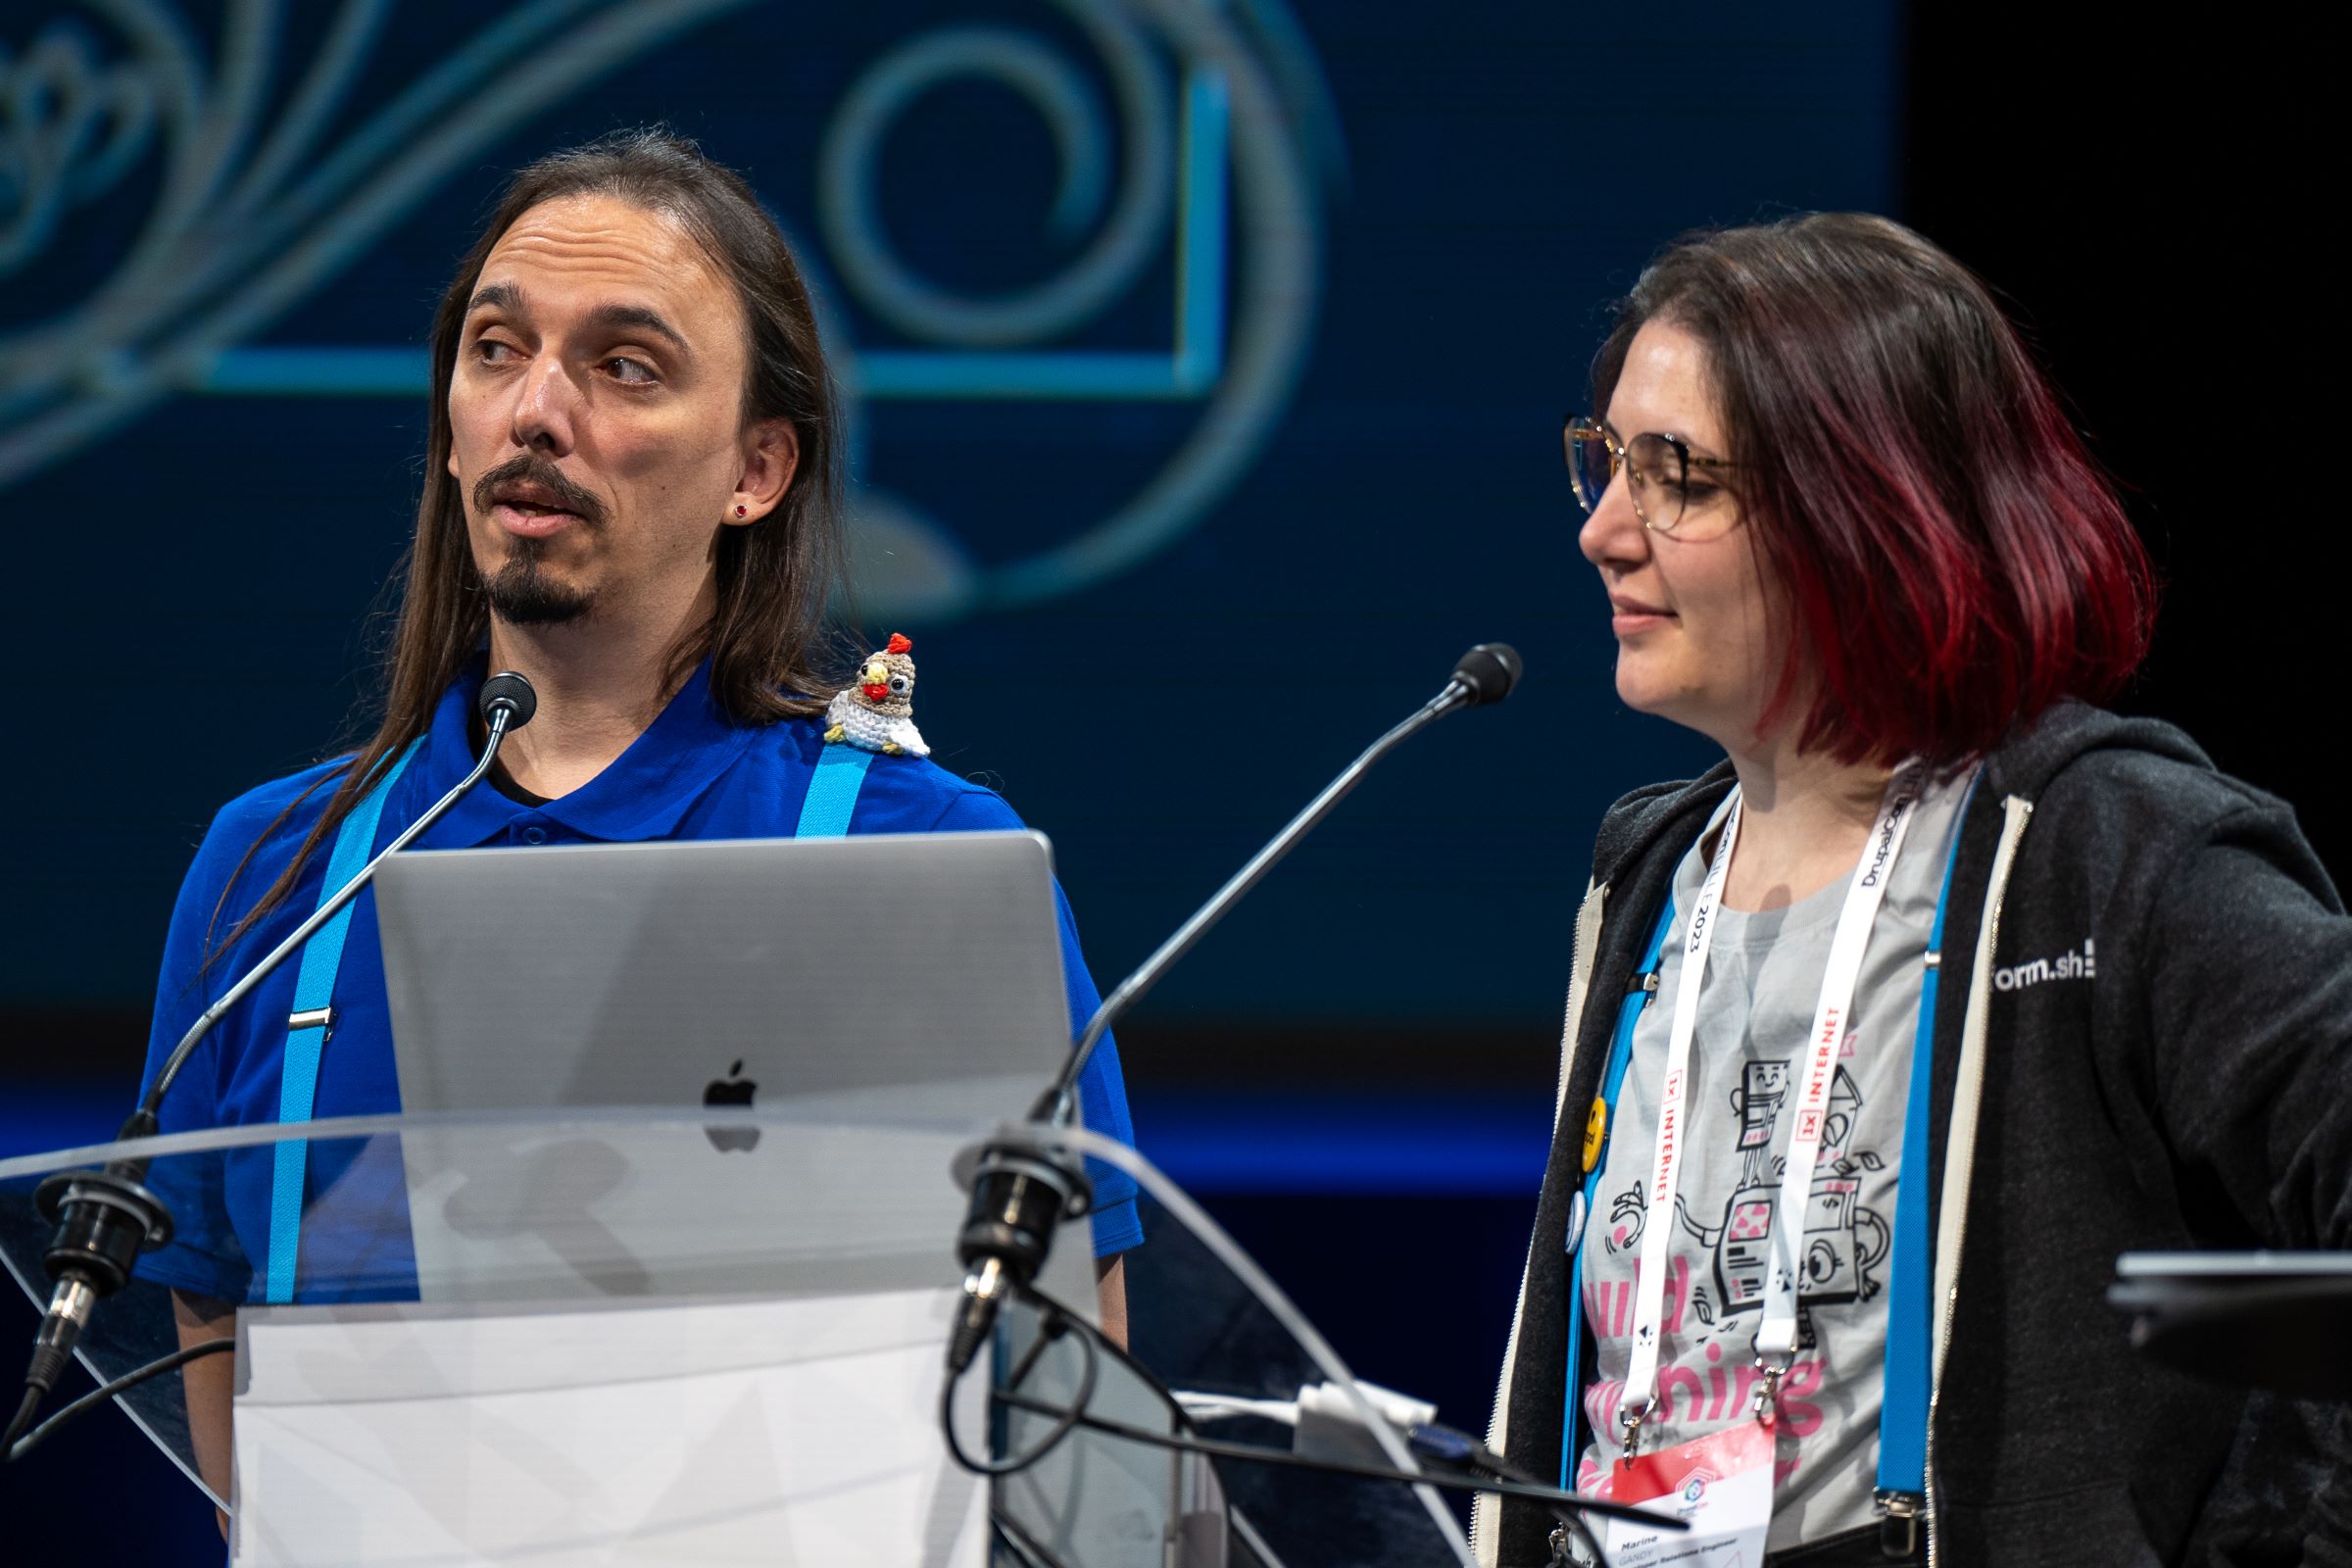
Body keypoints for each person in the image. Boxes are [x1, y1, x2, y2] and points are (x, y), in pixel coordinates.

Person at [131, 128, 1143, 1514]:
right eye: (496, 351)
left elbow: (1073, 1442)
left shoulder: (931, 860)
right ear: (447, 423)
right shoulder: (271, 879)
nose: (536, 411)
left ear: (758, 471)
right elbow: (227, 1384)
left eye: (625, 366)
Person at [1477, 214, 2352, 1567]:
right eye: (1605, 465)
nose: (1603, 532)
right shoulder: (1645, 877)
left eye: (1678, 479)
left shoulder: (2108, 852)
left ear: (1864, 509)